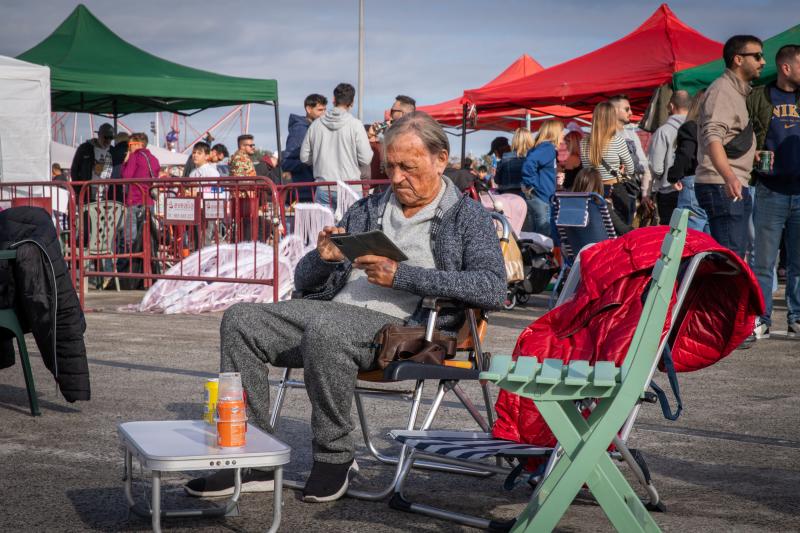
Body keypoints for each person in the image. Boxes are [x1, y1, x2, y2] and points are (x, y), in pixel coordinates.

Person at [184, 112, 506, 503]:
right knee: (241, 319)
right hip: (334, 314)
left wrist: (402, 276)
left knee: (328, 329)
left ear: (441, 159)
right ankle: (253, 458)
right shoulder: (369, 208)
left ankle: (334, 457)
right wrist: (325, 257)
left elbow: (492, 288)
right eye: (390, 167)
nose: (397, 178)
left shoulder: (466, 216)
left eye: (409, 167)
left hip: (409, 330)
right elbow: (305, 281)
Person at [747, 44, 800, 339]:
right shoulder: (759, 97)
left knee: (798, 263)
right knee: (764, 262)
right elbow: (742, 133)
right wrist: (751, 151)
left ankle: (797, 317)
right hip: (769, 190)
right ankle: (762, 318)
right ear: (786, 68)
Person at [695, 35, 765, 258]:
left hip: (730, 183)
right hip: (722, 184)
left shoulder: (736, 92)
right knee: (729, 261)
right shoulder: (722, 90)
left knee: (733, 258)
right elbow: (713, 137)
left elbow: (726, 138)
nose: (763, 61)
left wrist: (750, 153)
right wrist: (729, 177)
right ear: (738, 59)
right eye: (757, 56)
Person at [300, 83, 373, 206]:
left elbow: (304, 157)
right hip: (350, 187)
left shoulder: (316, 125)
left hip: (324, 187)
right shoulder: (356, 125)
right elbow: (366, 159)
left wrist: (319, 158)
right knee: (351, 225)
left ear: (333, 100)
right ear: (352, 102)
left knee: (325, 225)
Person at [580, 102, 636, 223]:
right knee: (622, 230)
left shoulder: (584, 142)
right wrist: (620, 173)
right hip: (614, 190)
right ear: (612, 119)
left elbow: (587, 169)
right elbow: (631, 169)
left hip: (593, 191)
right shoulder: (618, 141)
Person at [667, 91, 710, 233]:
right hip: (715, 182)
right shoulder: (717, 128)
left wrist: (673, 176)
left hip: (693, 182)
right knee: (712, 239)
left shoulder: (691, 127)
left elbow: (685, 154)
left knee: (689, 236)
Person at [609, 95, 655, 220]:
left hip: (629, 192)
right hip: (609, 193)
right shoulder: (603, 135)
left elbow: (644, 165)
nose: (631, 112)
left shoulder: (631, 135)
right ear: (614, 111)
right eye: (627, 109)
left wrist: (645, 193)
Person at [648, 90, 691, 223]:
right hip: (692, 188)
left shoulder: (663, 131)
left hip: (669, 189)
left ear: (671, 106)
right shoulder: (698, 128)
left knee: (672, 233)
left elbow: (656, 167)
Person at [120, 133, 159, 264]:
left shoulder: (134, 156)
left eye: (129, 145)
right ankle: (148, 265)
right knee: (147, 237)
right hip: (148, 201)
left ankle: (131, 266)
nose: (128, 148)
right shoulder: (153, 159)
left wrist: (125, 162)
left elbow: (126, 176)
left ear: (137, 144)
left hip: (134, 200)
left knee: (130, 237)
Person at [521, 119, 565, 236]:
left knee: (535, 237)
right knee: (543, 239)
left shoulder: (540, 147)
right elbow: (529, 163)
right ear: (554, 133)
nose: (563, 135)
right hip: (542, 198)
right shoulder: (548, 148)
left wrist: (551, 177)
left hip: (538, 197)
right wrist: (532, 184)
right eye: (561, 132)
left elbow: (537, 167)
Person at [283, 93, 327, 202]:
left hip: (316, 189)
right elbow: (287, 162)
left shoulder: (316, 128)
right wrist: (309, 161)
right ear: (308, 109)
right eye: (320, 110)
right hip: (306, 191)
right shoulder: (300, 130)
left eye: (325, 110)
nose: (324, 114)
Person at [366, 95, 416, 180]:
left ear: (402, 113)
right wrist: (371, 136)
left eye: (392, 111)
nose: (390, 114)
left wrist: (388, 134)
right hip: (389, 181)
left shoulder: (411, 134)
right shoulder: (394, 132)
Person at [571, 167, 632, 235]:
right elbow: (623, 230)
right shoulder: (601, 206)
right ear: (599, 186)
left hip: (575, 244)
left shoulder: (566, 204)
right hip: (600, 244)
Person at [69, 122, 114, 201]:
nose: (108, 140)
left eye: (111, 137)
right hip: (88, 188)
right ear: (99, 135)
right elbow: (74, 169)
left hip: (106, 190)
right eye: (106, 137)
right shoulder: (84, 148)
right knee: (88, 212)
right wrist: (78, 189)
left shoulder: (113, 151)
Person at [495, 127, 534, 194]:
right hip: (527, 195)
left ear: (514, 140)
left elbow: (497, 180)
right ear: (530, 140)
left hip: (507, 195)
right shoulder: (534, 157)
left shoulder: (505, 157)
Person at [560, 125, 583, 190]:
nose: (564, 143)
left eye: (566, 141)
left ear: (572, 142)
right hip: (580, 191)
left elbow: (567, 182)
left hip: (572, 192)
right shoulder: (580, 157)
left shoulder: (572, 158)